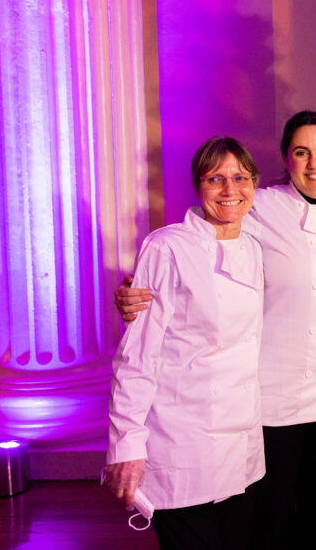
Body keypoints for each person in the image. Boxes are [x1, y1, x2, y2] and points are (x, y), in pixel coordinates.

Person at [115, 111, 316, 548]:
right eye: (301, 152)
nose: (315, 163)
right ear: (285, 160)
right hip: (270, 396)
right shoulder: (259, 205)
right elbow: (197, 246)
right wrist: (132, 292)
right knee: (268, 523)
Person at [104, 136, 265, 550]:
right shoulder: (166, 246)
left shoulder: (253, 246)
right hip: (183, 442)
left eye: (240, 178)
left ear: (255, 184)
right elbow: (137, 357)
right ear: (198, 185)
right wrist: (127, 446)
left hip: (240, 440)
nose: (230, 190)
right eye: (216, 179)